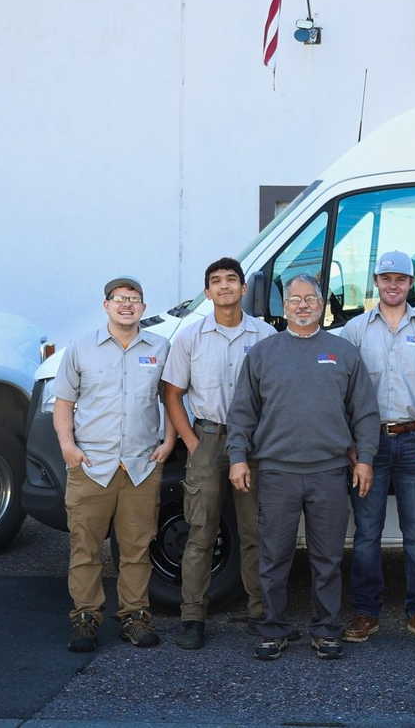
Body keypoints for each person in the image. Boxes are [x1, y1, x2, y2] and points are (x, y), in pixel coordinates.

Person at [227, 274, 378, 661]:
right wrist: (237, 457)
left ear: (322, 303)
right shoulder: (263, 353)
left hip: (329, 472)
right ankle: (272, 629)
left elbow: (364, 412)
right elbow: (242, 412)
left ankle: (326, 630)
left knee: (327, 558)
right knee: (274, 556)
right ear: (285, 306)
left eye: (310, 298)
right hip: (277, 472)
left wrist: (365, 459)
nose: (303, 305)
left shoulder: (343, 352)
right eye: (295, 299)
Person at [336, 251, 415, 647]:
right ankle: (366, 611)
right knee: (366, 532)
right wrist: (352, 444)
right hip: (367, 443)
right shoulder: (354, 330)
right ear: (376, 281)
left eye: (401, 279)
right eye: (386, 278)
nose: (393, 285)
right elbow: (343, 392)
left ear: (410, 284)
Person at [53, 275, 175, 652]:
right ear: (106, 305)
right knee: (85, 546)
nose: (127, 305)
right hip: (91, 465)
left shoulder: (160, 347)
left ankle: (135, 617)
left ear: (143, 307)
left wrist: (169, 441)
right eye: (119, 298)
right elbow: (63, 403)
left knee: (138, 547)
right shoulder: (81, 348)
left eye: (134, 299)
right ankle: (85, 618)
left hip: (140, 466)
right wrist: (68, 447)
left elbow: (171, 398)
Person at [162, 257, 276, 650]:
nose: (224, 286)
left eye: (231, 280)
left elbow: (276, 393)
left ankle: (260, 614)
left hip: (255, 442)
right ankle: (193, 616)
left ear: (244, 289)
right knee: (201, 531)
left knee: (254, 531)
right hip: (208, 438)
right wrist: (192, 444)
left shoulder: (264, 335)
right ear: (208, 292)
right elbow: (172, 395)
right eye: (216, 281)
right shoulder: (190, 338)